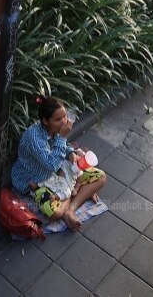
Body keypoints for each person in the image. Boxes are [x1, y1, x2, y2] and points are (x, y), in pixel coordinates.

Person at [10, 95, 106, 230]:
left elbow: (61, 147)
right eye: (58, 119)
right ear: (45, 121)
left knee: (101, 177)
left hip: (57, 173)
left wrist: (71, 153)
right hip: (35, 180)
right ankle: (75, 196)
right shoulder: (35, 138)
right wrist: (62, 137)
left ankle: (70, 210)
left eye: (65, 117)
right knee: (56, 213)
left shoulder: (54, 130)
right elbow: (51, 164)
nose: (64, 122)